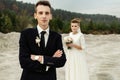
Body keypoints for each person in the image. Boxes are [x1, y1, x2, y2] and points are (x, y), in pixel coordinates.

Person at [19, 1, 66, 80]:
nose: (44, 16)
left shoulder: (57, 37)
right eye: (40, 13)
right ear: (35, 15)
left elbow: (62, 61)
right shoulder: (26, 34)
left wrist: (40, 58)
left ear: (50, 16)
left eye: (47, 13)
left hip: (49, 77)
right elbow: (23, 61)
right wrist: (49, 61)